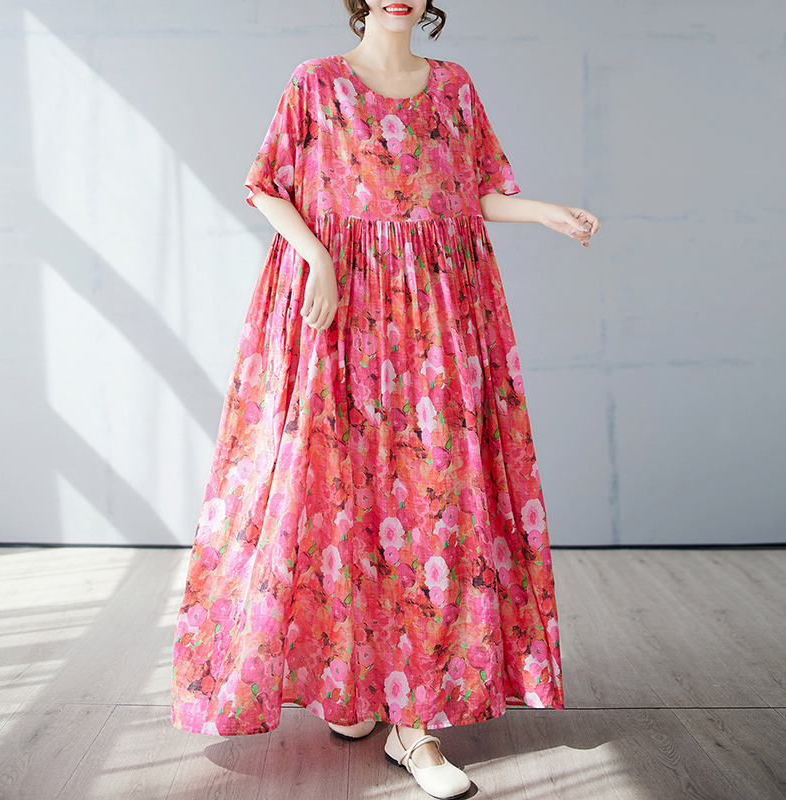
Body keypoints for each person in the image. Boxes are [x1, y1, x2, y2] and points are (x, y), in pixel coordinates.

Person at [171, 1, 600, 798]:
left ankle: (414, 723)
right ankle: (355, 682)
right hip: (335, 318)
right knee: (337, 502)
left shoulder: (454, 87)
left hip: (434, 320)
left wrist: (544, 211)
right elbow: (266, 186)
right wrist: (319, 259)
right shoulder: (316, 83)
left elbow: (473, 192)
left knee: (431, 507)